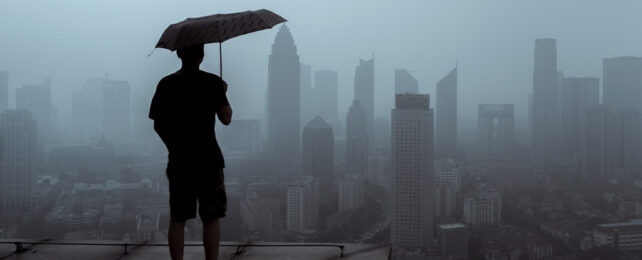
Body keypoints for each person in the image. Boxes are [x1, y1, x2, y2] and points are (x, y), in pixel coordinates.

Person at [149, 43, 232, 260]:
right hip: (209, 160)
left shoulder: (166, 84)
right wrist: (223, 93)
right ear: (202, 55)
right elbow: (226, 118)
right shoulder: (212, 82)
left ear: (178, 54)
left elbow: (158, 124)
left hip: (180, 161)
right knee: (211, 217)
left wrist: (174, 146)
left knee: (178, 218)